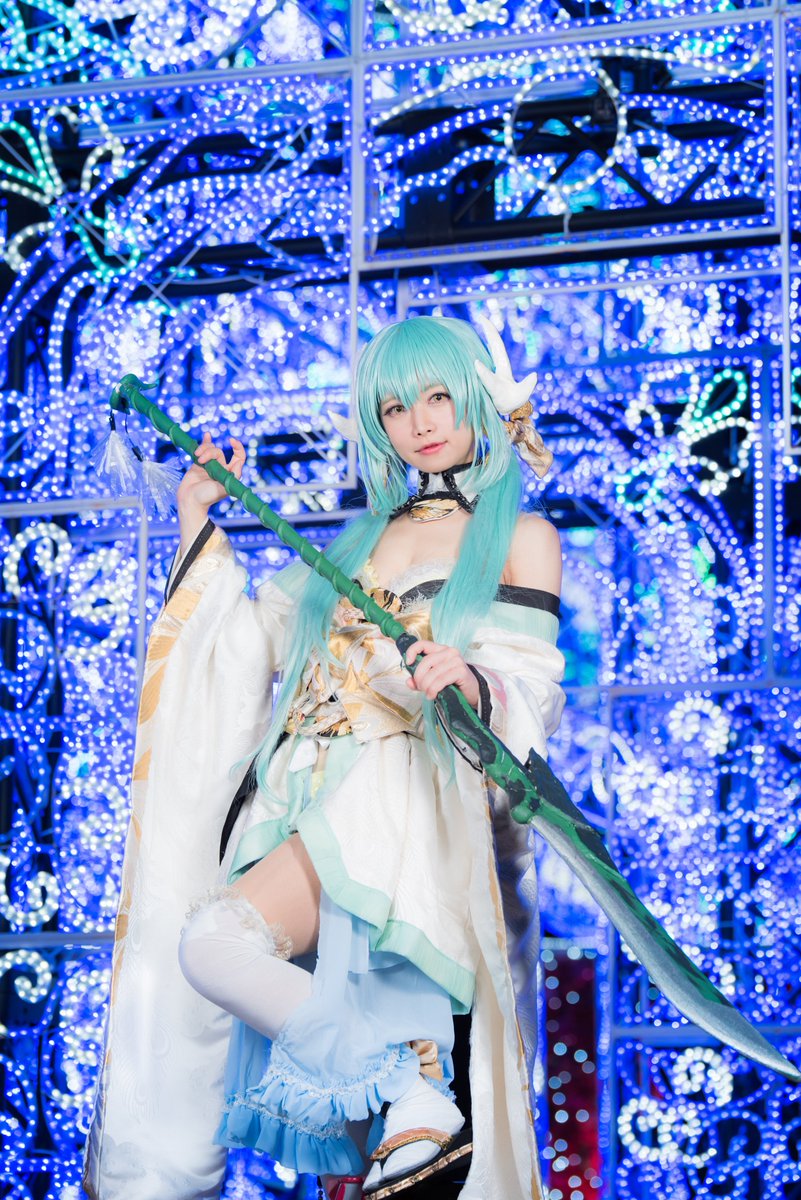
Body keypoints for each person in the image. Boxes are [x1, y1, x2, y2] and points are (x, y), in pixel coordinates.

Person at [83, 315, 565, 1200]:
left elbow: (529, 685)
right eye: (394, 408)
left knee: (432, 1144)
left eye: (437, 396)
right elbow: (240, 646)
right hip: (310, 799)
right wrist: (197, 516)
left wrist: (471, 678)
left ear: (476, 401)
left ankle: (416, 1090)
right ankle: (401, 1082)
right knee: (213, 946)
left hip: (414, 806)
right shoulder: (348, 545)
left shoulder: (521, 537)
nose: (419, 422)